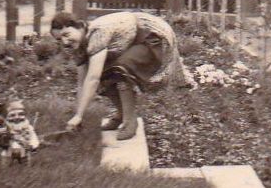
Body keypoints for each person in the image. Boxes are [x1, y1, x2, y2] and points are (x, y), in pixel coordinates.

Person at [50, 11, 185, 141]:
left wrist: (79, 115)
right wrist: (78, 115)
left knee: (121, 70)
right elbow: (82, 83)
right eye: (59, 39)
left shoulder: (97, 33)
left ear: (79, 26)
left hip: (151, 35)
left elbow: (92, 79)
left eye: (66, 34)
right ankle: (121, 115)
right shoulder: (78, 46)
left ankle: (129, 123)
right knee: (105, 74)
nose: (65, 42)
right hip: (132, 40)